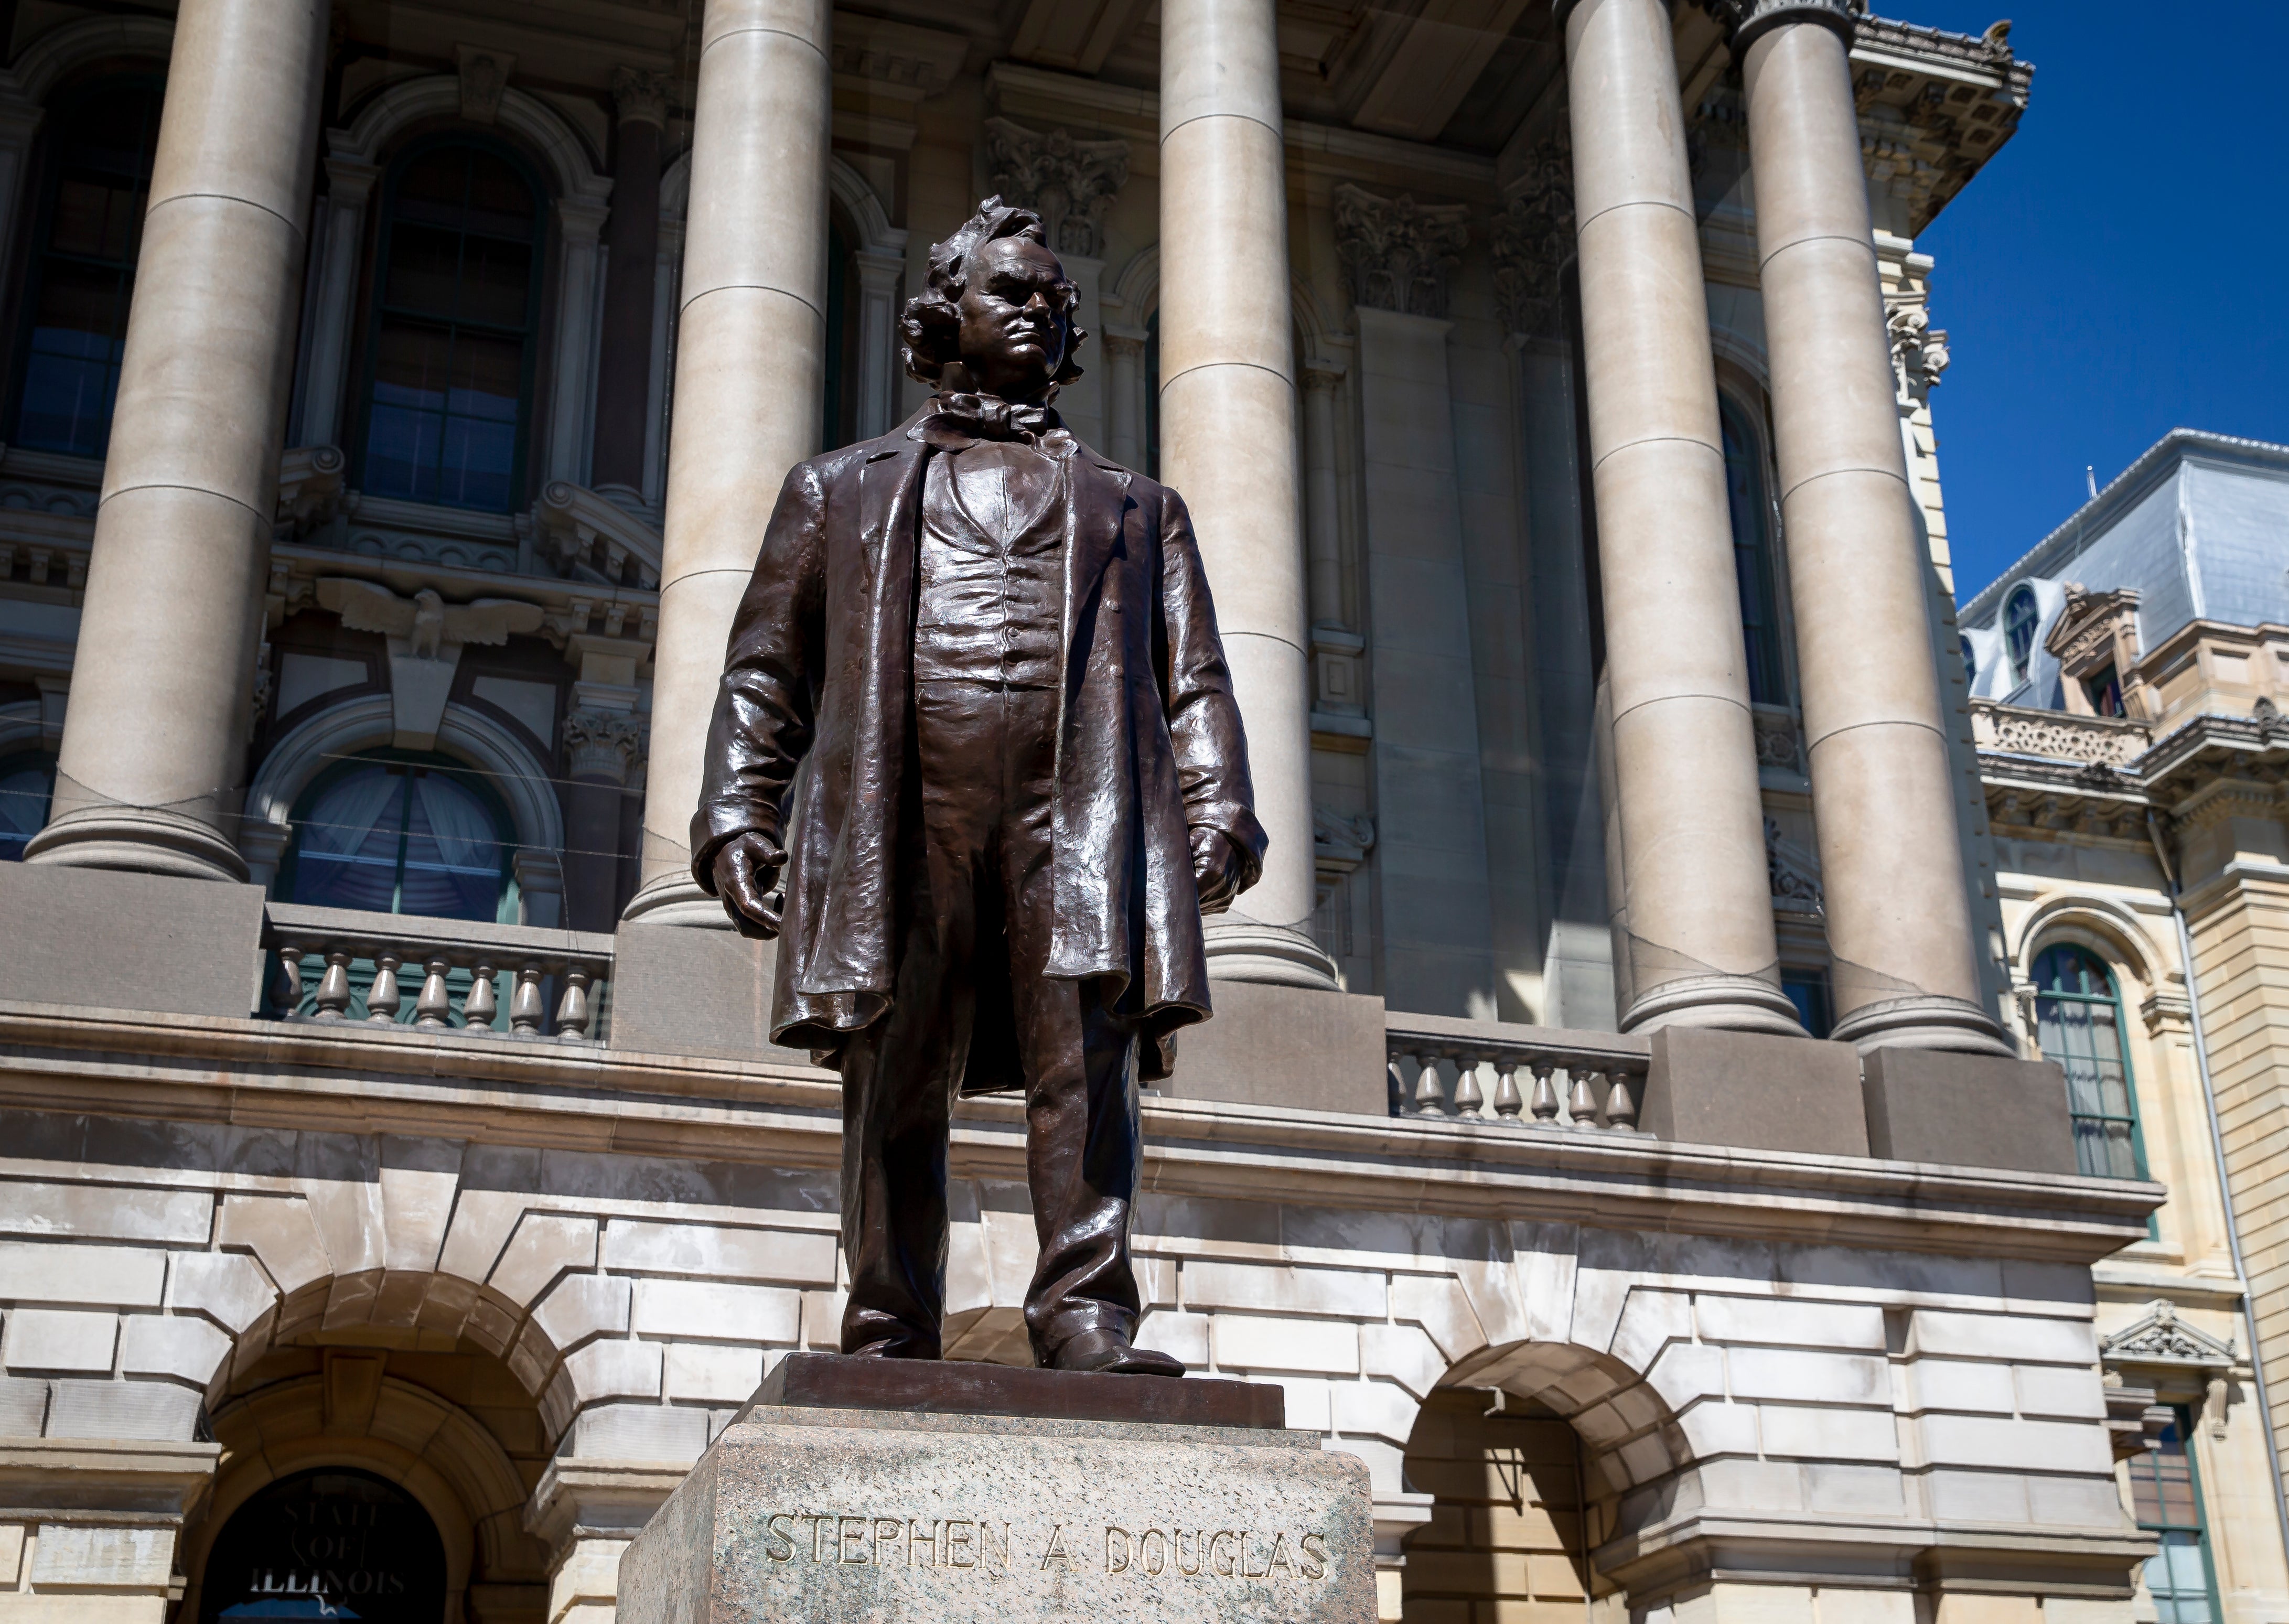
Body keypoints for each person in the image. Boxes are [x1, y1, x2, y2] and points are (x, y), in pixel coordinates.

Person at [690, 197, 1266, 1375]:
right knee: (895, 1070)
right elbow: (766, 669)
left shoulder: (1138, 508)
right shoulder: (839, 489)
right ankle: (890, 1315)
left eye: (1058, 302)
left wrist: (1219, 804)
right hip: (903, 816)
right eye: (1012, 291)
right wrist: (737, 807)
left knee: (1085, 1066)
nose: (1042, 311)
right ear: (943, 312)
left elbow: (1193, 676)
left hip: (1082, 813)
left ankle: (1086, 1311)